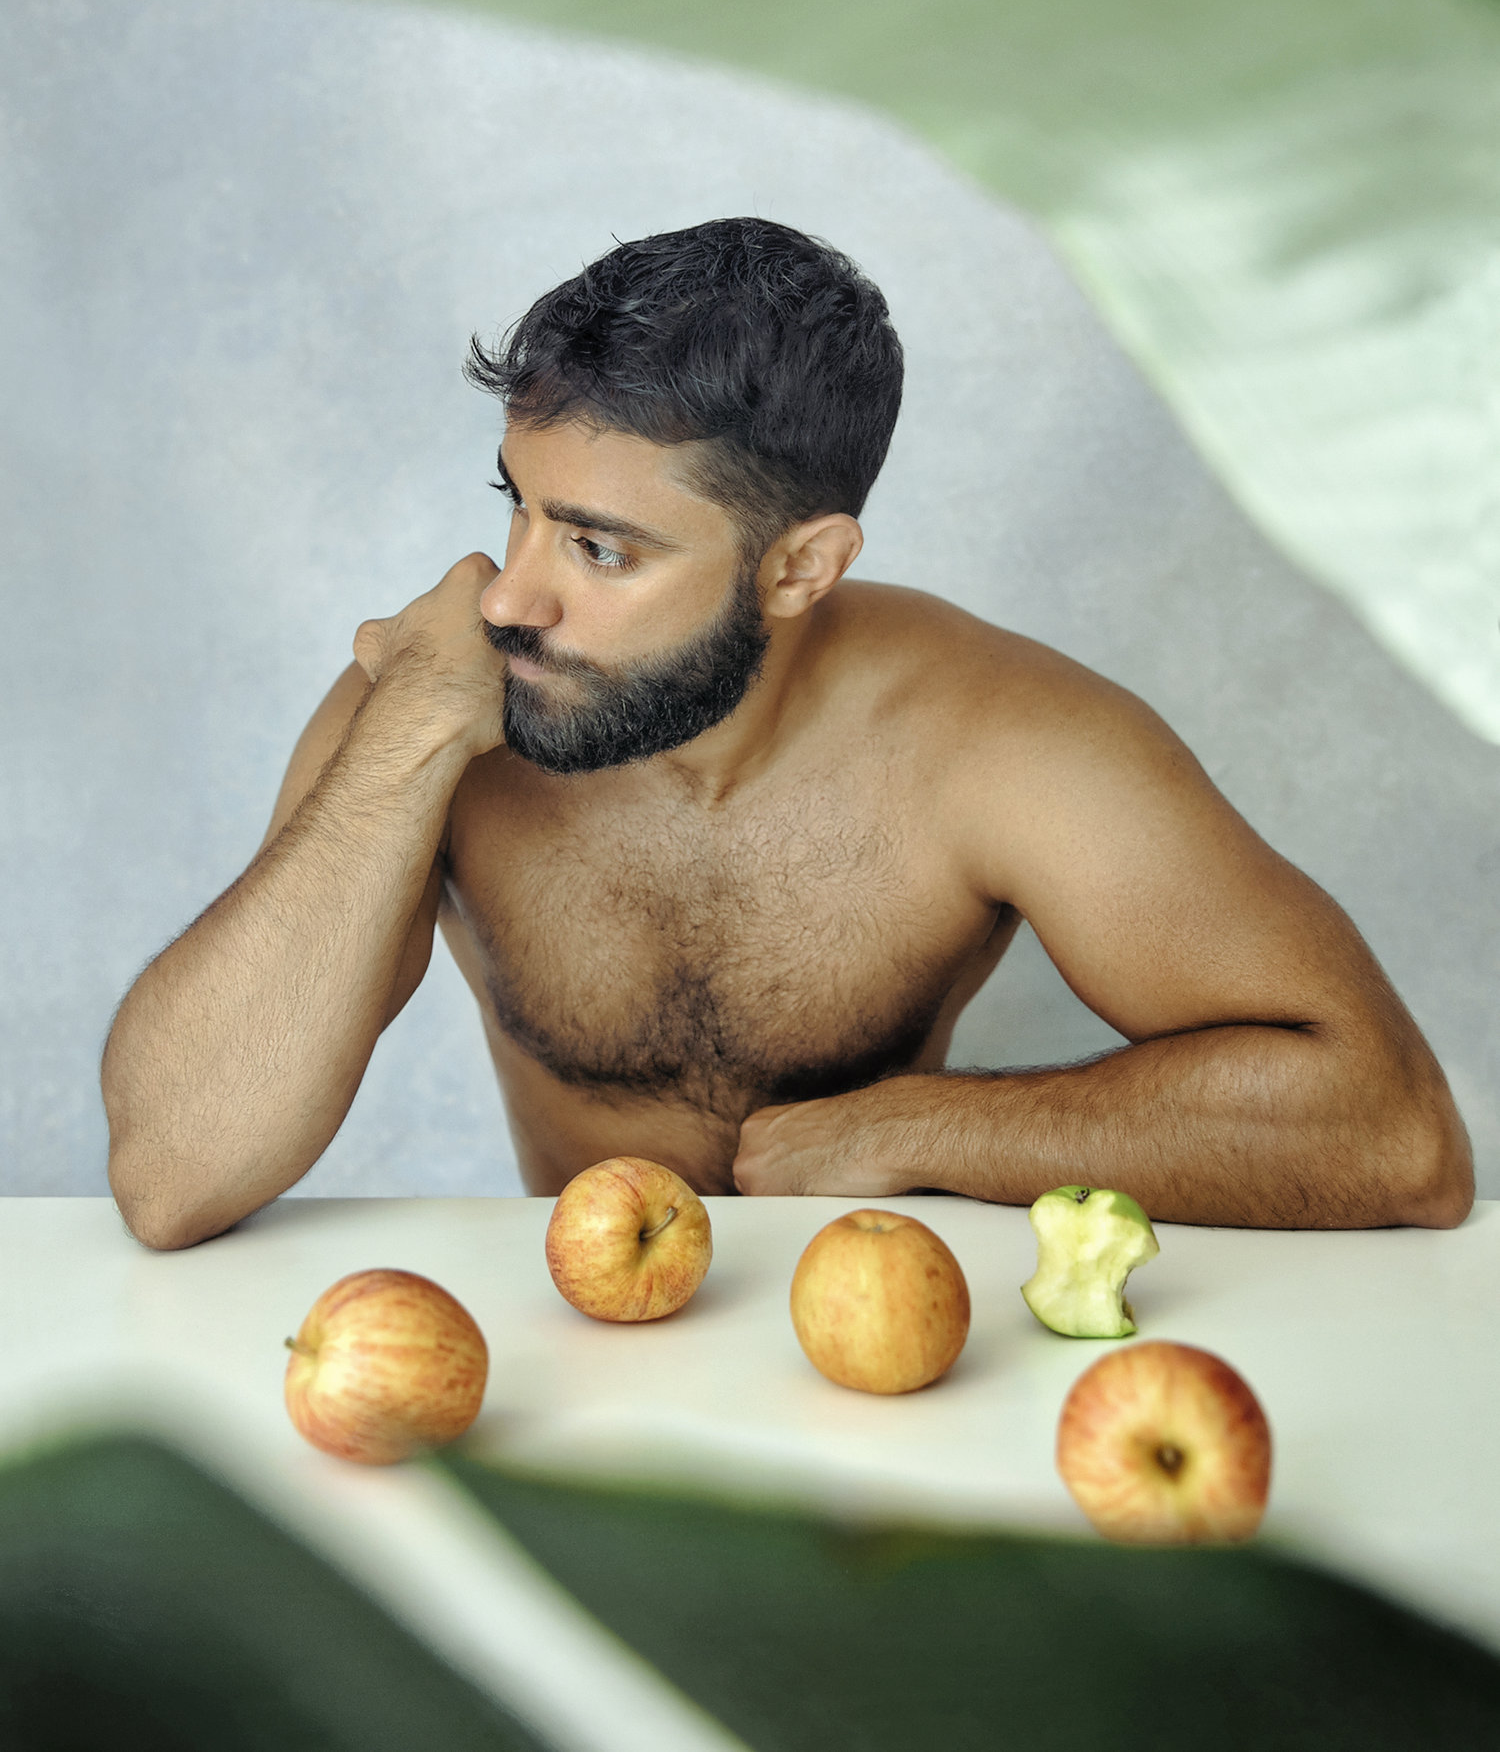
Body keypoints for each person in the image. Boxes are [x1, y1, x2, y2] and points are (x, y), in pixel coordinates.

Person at [103, 218, 1473, 1249]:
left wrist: (919, 1128)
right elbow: (172, 1173)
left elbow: (1397, 1132)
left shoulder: (999, 736)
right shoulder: (442, 707)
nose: (510, 592)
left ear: (801, 567)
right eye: (516, 502)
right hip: (579, 1355)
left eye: (598, 545)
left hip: (908, 1358)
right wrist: (401, 741)